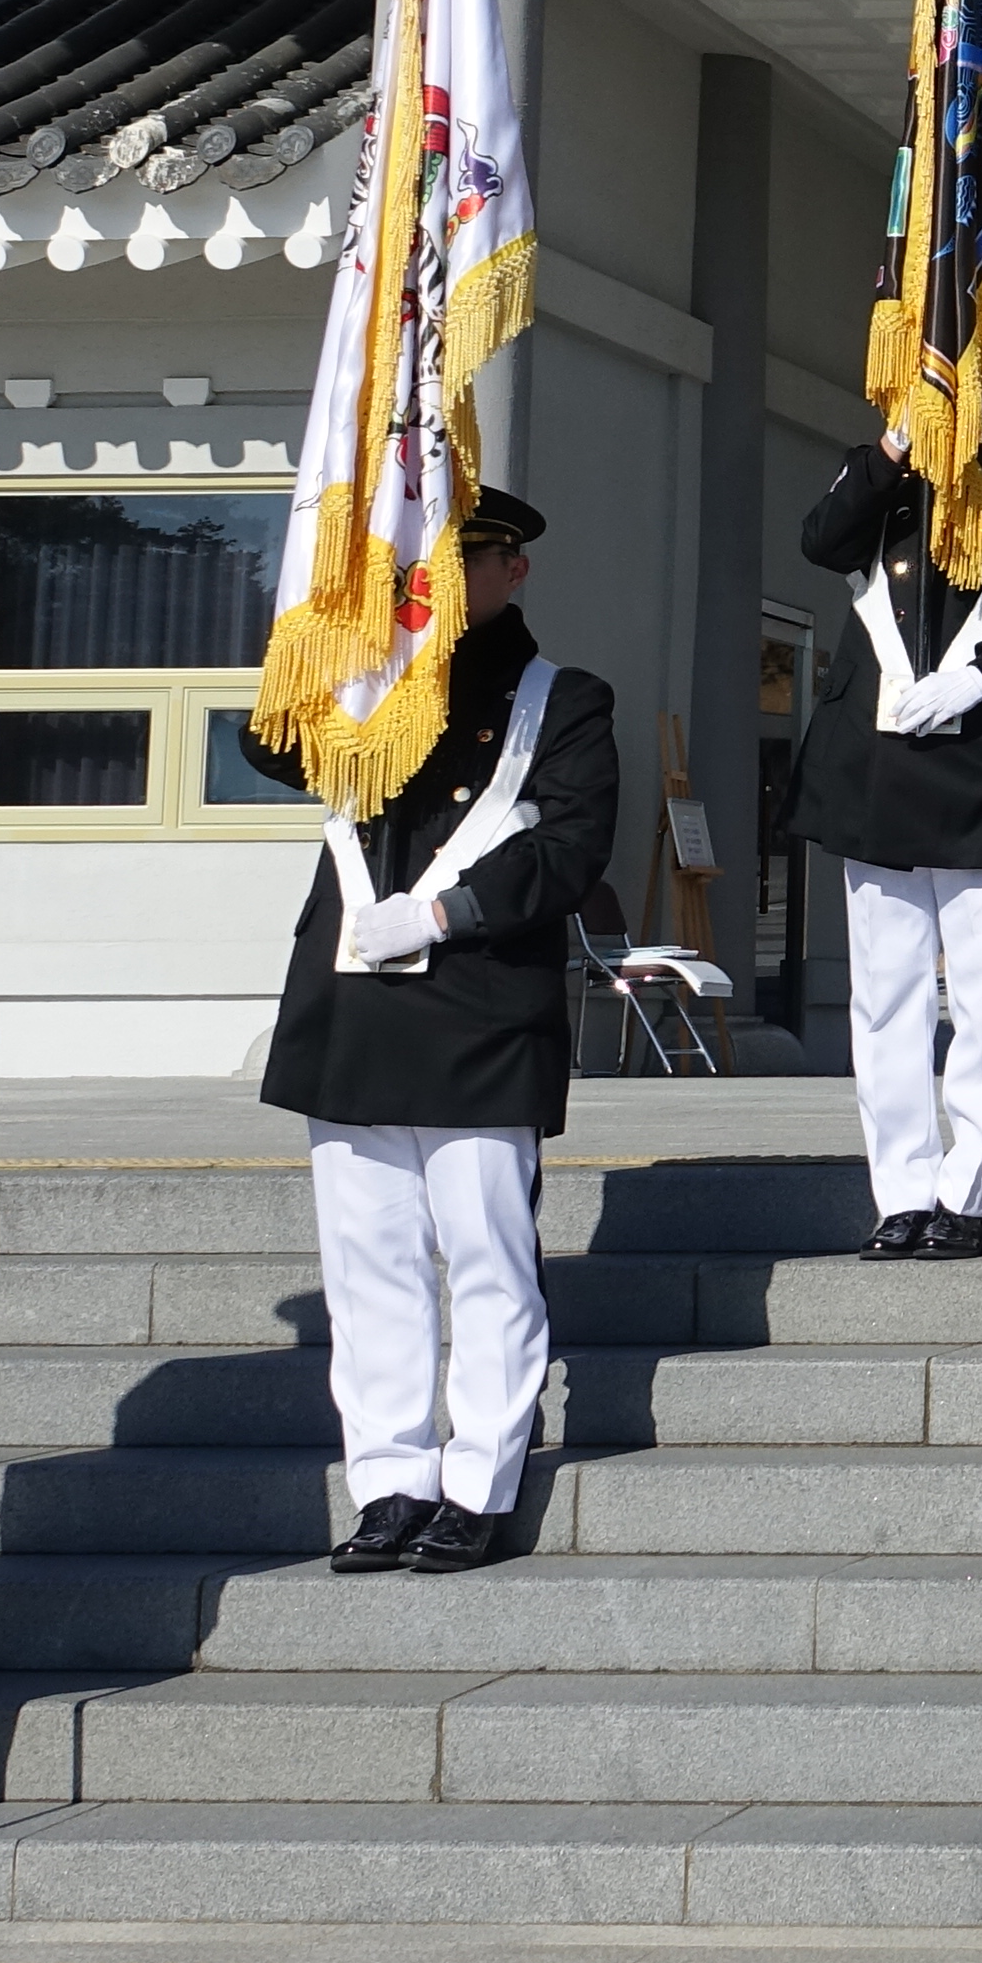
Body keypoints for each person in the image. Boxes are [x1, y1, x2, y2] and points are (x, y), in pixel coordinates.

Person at [250, 484, 619, 1579]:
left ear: (514, 571)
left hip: (479, 1006)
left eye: (473, 562)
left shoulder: (564, 699)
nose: (448, 586)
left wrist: (453, 910)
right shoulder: (367, 685)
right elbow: (267, 740)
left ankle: (478, 1481)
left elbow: (571, 846)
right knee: (369, 1269)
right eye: (427, 566)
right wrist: (327, 623)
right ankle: (389, 1481)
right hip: (355, 1009)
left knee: (488, 1257)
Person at [788, 422, 982, 1259]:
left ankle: (972, 1189)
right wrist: (890, 448)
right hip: (878, 760)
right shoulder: (883, 467)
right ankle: (899, 1193)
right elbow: (822, 541)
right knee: (886, 996)